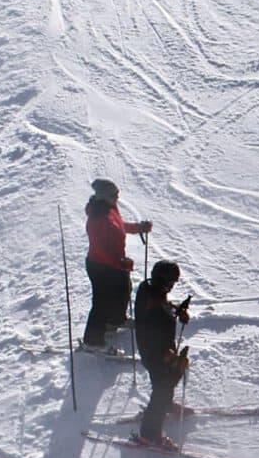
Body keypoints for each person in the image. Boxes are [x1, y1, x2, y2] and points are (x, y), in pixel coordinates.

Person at [82, 177, 150, 348]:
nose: (117, 197)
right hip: (100, 265)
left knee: (123, 290)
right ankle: (92, 340)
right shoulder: (98, 218)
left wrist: (138, 228)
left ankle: (115, 320)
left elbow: (119, 225)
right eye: (114, 194)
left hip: (114, 263)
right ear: (105, 196)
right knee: (102, 302)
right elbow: (101, 249)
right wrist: (120, 263)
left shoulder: (109, 208)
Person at [133, 260, 192, 442]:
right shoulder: (151, 300)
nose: (172, 287)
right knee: (162, 387)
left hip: (161, 349)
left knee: (164, 384)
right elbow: (155, 312)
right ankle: (149, 434)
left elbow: (161, 303)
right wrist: (166, 355)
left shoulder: (150, 289)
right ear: (165, 281)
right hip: (155, 353)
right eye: (172, 283)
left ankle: (166, 405)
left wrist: (176, 310)